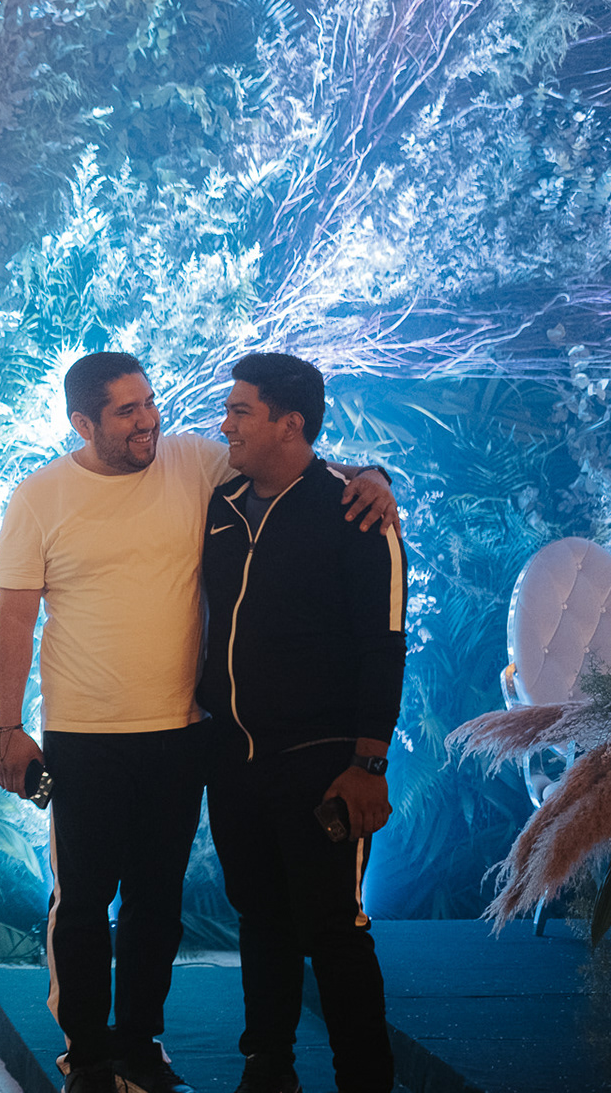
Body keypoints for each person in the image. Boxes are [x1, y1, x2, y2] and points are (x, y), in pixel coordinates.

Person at [0, 352, 396, 1093]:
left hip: (189, 733)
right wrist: (7, 728)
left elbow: (297, 465)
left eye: (150, 402)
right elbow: (14, 619)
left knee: (163, 904)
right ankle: (91, 1056)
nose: (150, 419)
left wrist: (373, 476)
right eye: (128, 411)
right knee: (86, 904)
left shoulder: (194, 463)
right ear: (83, 424)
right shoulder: (40, 496)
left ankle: (141, 1045)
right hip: (90, 735)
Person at [197, 353, 404, 1093]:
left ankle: (365, 1081)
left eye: (240, 411)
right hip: (234, 757)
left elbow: (384, 644)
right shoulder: (220, 503)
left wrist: (368, 764)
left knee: (334, 929)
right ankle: (267, 1067)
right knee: (260, 916)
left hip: (323, 760)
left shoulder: (356, 513)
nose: (225, 424)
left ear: (290, 424)